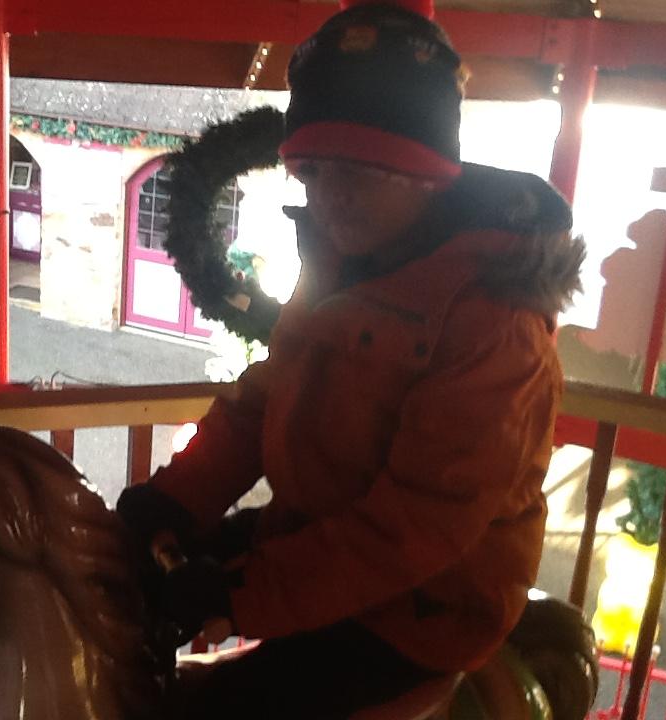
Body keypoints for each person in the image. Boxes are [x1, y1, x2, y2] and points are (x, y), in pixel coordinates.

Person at [117, 0, 585, 717]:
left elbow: (413, 530)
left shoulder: (496, 325)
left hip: (422, 605)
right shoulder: (345, 260)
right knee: (125, 585)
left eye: (362, 173)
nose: (330, 197)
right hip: (319, 535)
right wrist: (177, 499)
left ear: (428, 176)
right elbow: (265, 401)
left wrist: (239, 593)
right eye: (314, 171)